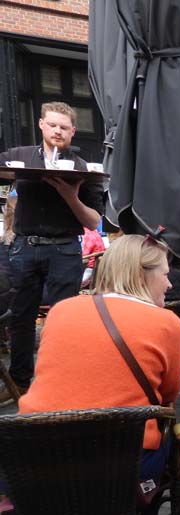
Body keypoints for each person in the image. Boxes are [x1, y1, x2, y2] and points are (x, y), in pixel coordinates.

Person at [18, 234, 180, 515]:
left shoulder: (61, 311)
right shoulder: (165, 322)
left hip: (30, 468)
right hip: (119, 471)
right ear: (141, 274)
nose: (169, 284)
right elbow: (168, 395)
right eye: (165, 274)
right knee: (167, 435)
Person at [0, 101, 104, 401]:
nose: (58, 131)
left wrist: (70, 196)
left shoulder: (82, 168)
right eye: (53, 125)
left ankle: (60, 381)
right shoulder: (20, 156)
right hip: (25, 246)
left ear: (73, 131)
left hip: (64, 248)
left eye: (64, 127)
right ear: (41, 125)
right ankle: (19, 383)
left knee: (63, 319)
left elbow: (93, 221)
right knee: (21, 316)